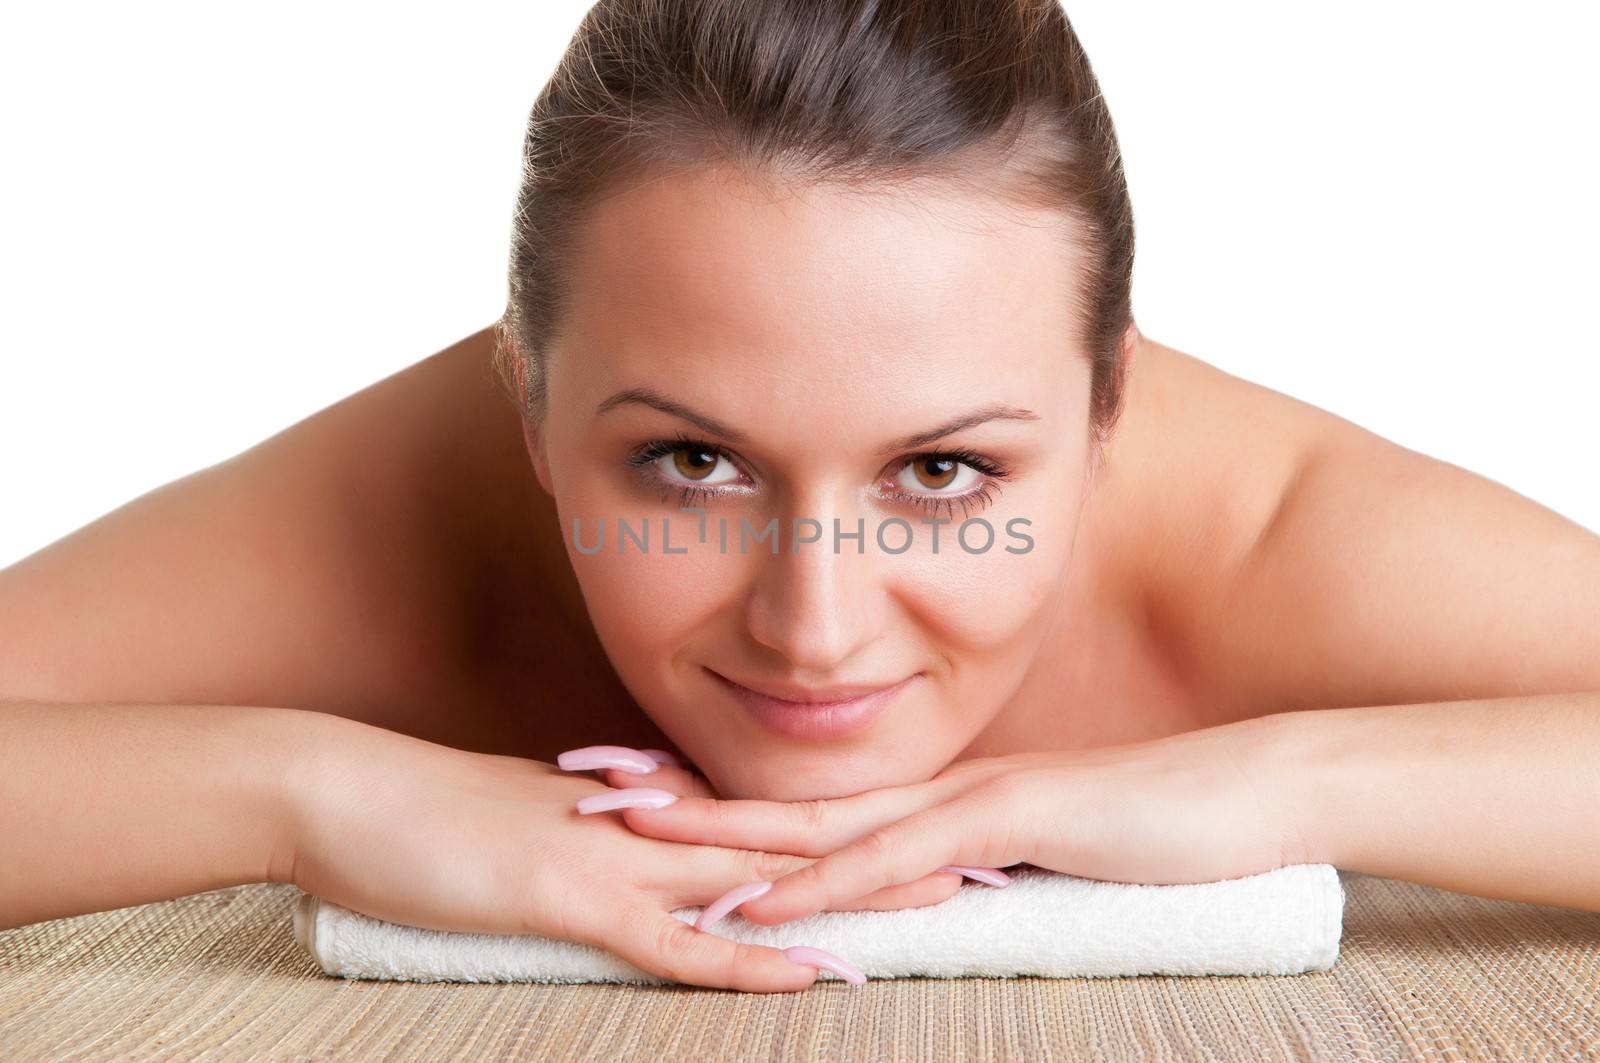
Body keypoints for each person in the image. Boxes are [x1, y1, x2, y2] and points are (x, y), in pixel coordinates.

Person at [2, 0, 1597, 994]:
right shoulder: (416, 512)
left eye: (944, 472)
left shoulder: (1271, 543)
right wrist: (314, 797)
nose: (813, 626)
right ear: (531, 407)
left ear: (1112, 404)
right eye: (691, 463)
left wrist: (1272, 784)